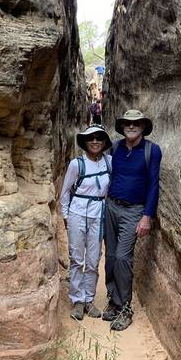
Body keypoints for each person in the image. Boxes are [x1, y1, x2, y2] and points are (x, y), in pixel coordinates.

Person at [102, 109, 162, 332]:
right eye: (127, 123)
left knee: (122, 257)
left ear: (143, 127)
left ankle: (125, 308)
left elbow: (154, 184)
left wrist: (147, 216)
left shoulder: (151, 150)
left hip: (133, 211)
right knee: (110, 255)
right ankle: (114, 301)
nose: (131, 126)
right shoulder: (116, 147)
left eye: (136, 123)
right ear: (122, 126)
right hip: (111, 206)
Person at [60, 125, 112, 321]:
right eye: (91, 138)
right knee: (76, 258)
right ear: (85, 141)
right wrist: (66, 216)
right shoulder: (76, 164)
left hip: (99, 213)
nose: (95, 141)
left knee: (93, 258)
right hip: (78, 213)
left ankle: (89, 299)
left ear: (105, 142)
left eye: (99, 138)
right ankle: (77, 300)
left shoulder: (109, 162)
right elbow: (65, 192)